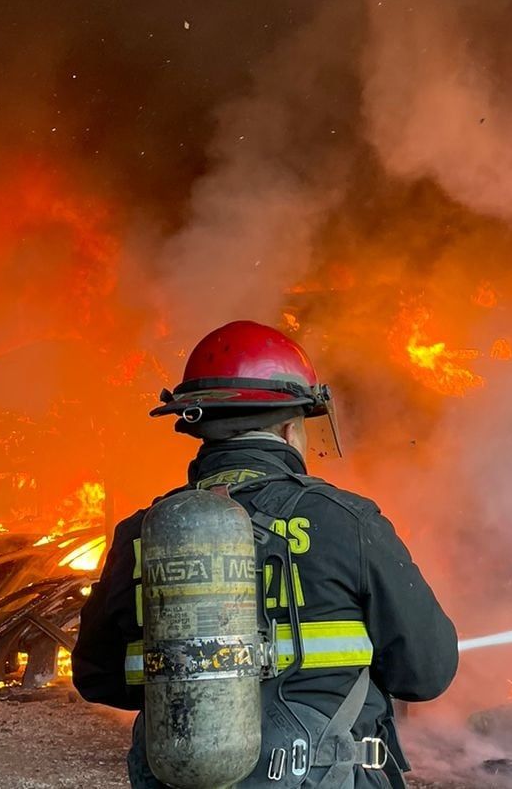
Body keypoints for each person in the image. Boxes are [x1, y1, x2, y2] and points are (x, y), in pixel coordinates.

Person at [72, 320, 458, 788]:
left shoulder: (143, 533)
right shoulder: (346, 522)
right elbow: (426, 673)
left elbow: (98, 679)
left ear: (202, 431)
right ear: (293, 429)